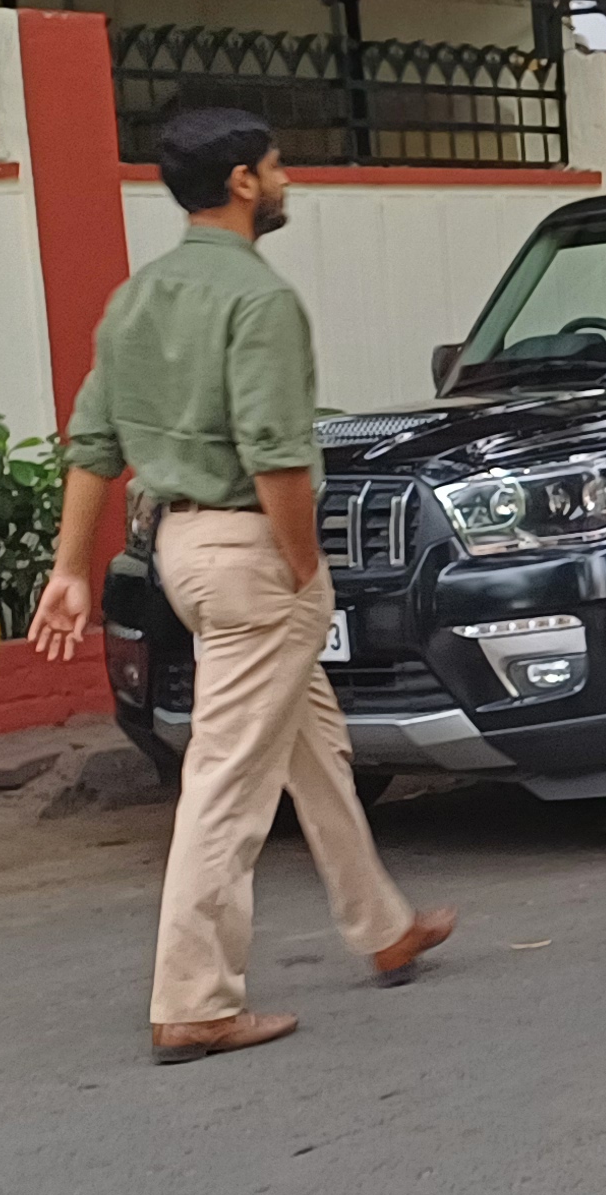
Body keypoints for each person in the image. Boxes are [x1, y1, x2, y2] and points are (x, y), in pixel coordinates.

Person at [26, 109, 452, 1062]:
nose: (286, 178)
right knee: (227, 781)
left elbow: (93, 447)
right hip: (254, 552)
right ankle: (195, 999)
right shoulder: (259, 302)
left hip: (181, 546)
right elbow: (277, 455)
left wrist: (68, 571)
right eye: (277, 164)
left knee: (313, 744)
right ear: (244, 183)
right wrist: (304, 567)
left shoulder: (135, 299)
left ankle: (381, 925)